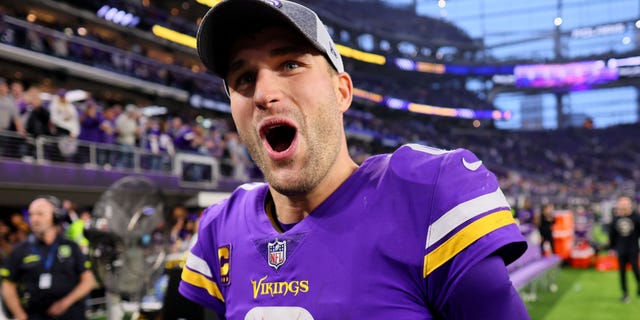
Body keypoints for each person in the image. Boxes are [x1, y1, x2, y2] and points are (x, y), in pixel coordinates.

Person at [179, 1, 528, 319]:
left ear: (342, 92)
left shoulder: (427, 196)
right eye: (244, 79)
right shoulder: (220, 230)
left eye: (290, 64)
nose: (263, 94)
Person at [0, 196, 96, 320]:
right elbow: (7, 284)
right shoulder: (20, 250)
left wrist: (64, 303)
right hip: (36, 315)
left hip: (72, 314)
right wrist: (20, 315)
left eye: (40, 214)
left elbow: (88, 281)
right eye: (31, 214)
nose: (34, 219)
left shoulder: (71, 247)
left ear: (55, 216)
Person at [608, 195, 640, 303]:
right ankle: (625, 294)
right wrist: (612, 248)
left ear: (630, 204)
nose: (623, 204)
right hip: (621, 251)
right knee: (622, 274)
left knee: (636, 271)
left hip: (633, 250)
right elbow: (612, 235)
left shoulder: (636, 217)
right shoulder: (616, 218)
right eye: (621, 202)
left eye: (625, 202)